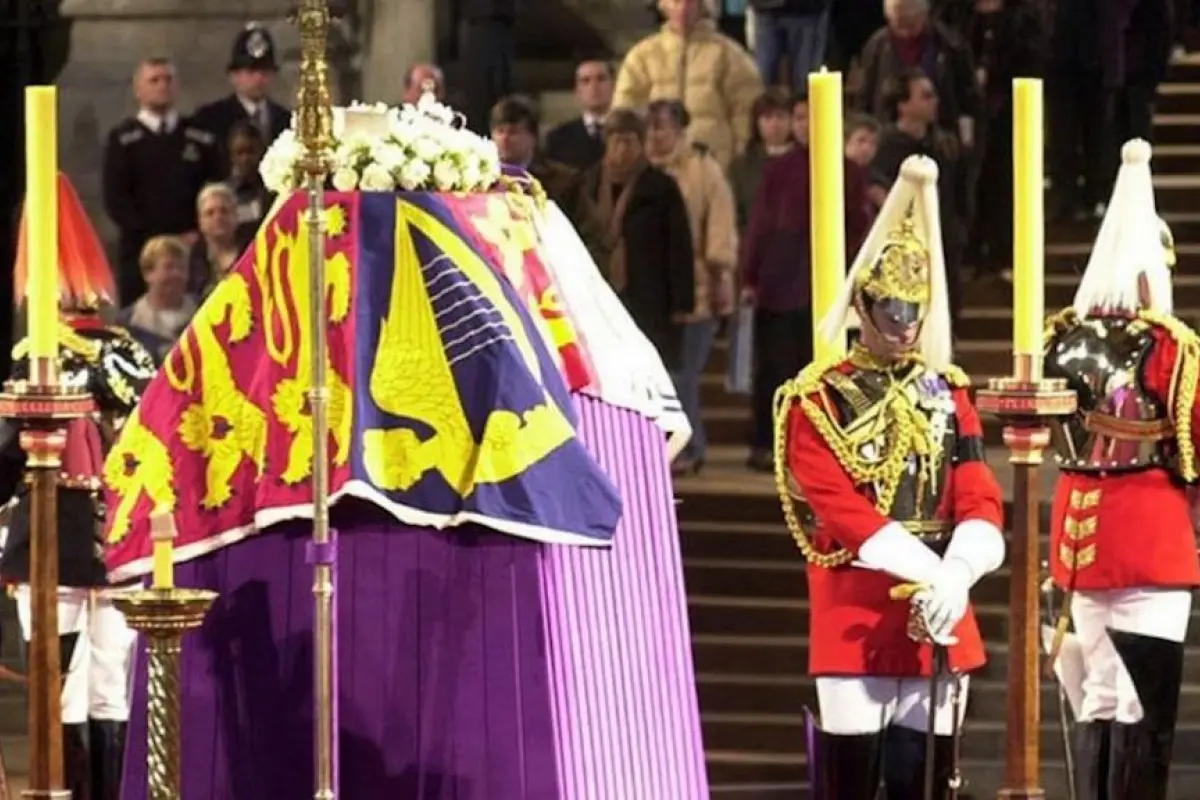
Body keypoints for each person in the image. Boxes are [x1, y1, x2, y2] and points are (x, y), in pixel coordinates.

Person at [777, 155, 1005, 798]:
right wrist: (937, 576)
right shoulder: (815, 400)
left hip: (942, 611)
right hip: (857, 606)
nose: (904, 326)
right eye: (891, 310)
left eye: (914, 311)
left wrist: (959, 574)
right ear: (864, 306)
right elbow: (843, 511)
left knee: (929, 785)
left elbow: (978, 495)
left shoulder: (949, 394)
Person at [1042, 139, 1200, 800]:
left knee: (1100, 697)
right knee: (1138, 708)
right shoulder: (1169, 346)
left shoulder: (1061, 338)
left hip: (1077, 538)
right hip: (1147, 538)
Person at [0, 173, 157, 800]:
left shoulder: (36, 353)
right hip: (119, 531)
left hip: (51, 532)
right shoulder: (132, 350)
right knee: (111, 683)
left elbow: (12, 456)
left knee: (56, 681)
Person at [739, 92, 871, 472]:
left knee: (822, 369)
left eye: (808, 117)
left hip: (826, 287)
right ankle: (771, 443)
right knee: (775, 369)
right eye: (797, 118)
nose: (801, 125)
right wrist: (750, 275)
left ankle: (822, 445)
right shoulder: (778, 169)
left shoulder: (847, 170)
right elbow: (761, 225)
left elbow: (858, 226)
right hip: (780, 282)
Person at [645, 100, 738, 474]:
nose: (656, 135)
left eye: (663, 127)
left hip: (695, 289)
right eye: (651, 128)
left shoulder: (703, 170)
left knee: (684, 376)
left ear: (682, 131)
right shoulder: (641, 170)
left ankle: (691, 446)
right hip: (652, 292)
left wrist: (720, 276)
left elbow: (719, 227)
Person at [576, 108, 696, 375]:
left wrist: (681, 305)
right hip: (599, 293)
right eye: (616, 140)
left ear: (641, 144)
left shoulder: (661, 186)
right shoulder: (589, 182)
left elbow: (678, 247)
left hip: (648, 295)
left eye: (629, 141)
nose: (622, 148)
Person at [101, 57, 221, 304]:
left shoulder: (200, 136)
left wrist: (195, 233)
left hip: (192, 252)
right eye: (154, 80)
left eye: (168, 79)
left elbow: (215, 186)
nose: (162, 86)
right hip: (139, 254)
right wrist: (155, 239)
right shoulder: (123, 140)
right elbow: (116, 199)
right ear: (138, 89)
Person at [613, 0, 763, 168]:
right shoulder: (642, 56)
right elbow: (625, 113)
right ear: (664, 5)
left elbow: (745, 111)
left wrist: (739, 159)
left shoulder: (730, 55)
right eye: (676, 1)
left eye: (691, 2)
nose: (683, 8)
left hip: (715, 166)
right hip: (655, 170)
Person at [871, 67, 966, 324]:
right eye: (925, 96)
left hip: (943, 236)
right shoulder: (886, 145)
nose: (934, 101)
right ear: (903, 104)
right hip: (903, 247)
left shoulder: (944, 143)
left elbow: (958, 191)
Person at [192, 24, 291, 166]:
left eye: (264, 71)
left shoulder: (286, 121)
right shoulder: (210, 119)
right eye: (251, 71)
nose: (258, 79)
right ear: (233, 76)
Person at [489, 96, 582, 210]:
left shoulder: (564, 181)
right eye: (500, 131)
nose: (505, 138)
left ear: (533, 137)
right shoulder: (480, 179)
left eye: (513, 132)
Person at [116, 235, 199, 364]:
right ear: (147, 273)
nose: (177, 274)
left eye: (182, 268)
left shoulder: (203, 312)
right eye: (169, 267)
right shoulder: (127, 325)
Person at [543, 58, 615, 171]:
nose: (594, 87)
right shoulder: (558, 138)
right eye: (586, 81)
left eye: (601, 79)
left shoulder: (630, 132)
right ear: (577, 90)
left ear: (613, 86)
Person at [188, 183, 245, 299]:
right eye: (210, 213)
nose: (218, 217)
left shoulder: (252, 251)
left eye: (224, 211)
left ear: (236, 215)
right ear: (200, 221)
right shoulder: (191, 260)